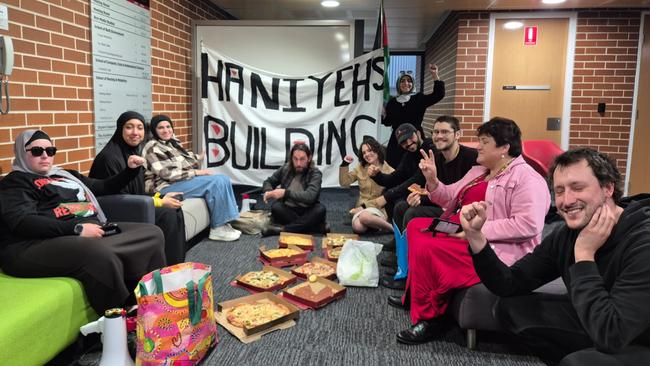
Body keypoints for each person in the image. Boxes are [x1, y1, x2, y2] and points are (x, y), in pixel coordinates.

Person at [462, 148, 650, 366]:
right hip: (596, 318)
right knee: (511, 309)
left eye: (577, 188)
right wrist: (476, 237)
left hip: (634, 336)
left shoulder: (642, 242)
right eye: (559, 191)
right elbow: (509, 283)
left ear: (608, 188)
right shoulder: (566, 235)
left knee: (577, 362)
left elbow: (612, 334)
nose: (566, 201)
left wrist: (584, 255)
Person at [392, 117, 550, 345]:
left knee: (430, 246)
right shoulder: (479, 171)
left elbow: (528, 225)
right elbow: (448, 197)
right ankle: (415, 296)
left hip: (495, 245)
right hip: (464, 226)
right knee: (417, 226)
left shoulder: (528, 178)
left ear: (504, 148)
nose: (478, 146)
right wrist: (433, 180)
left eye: (484, 142)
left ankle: (431, 319)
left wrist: (475, 231)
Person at [0, 130, 166, 314]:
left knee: (152, 233)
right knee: (98, 253)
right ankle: (121, 313)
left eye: (50, 150)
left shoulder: (65, 175)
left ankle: (151, 300)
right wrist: (76, 228)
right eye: (37, 151)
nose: (45, 156)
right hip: (31, 245)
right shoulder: (15, 182)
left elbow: (103, 186)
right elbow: (23, 222)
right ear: (22, 153)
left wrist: (130, 170)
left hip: (85, 231)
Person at [381, 115, 478, 288]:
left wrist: (424, 196)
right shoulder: (436, 158)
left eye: (445, 132)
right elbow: (437, 191)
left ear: (457, 134)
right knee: (401, 206)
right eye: (436, 132)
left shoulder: (472, 158)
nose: (439, 136)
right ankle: (402, 263)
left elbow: (457, 195)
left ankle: (410, 276)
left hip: (459, 218)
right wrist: (421, 196)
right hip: (444, 207)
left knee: (412, 213)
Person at [90, 111, 187, 265]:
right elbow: (116, 198)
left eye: (140, 128)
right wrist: (159, 203)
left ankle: (174, 265)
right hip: (114, 212)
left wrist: (161, 197)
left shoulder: (134, 153)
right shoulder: (109, 158)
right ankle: (163, 269)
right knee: (166, 214)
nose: (135, 132)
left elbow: (138, 192)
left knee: (174, 208)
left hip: (133, 205)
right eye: (129, 127)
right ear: (120, 129)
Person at [142, 114, 240, 242]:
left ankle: (225, 221)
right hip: (163, 189)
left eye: (168, 126)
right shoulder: (152, 147)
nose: (166, 130)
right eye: (161, 128)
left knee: (223, 178)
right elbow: (166, 174)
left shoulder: (170, 143)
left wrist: (198, 157)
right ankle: (218, 228)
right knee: (216, 182)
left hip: (179, 182)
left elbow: (184, 160)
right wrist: (196, 172)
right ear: (154, 130)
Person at [382, 64, 445, 168]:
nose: (406, 83)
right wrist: (383, 115)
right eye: (402, 81)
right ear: (398, 84)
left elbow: (438, 94)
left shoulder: (418, 99)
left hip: (415, 138)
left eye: (409, 81)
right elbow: (388, 122)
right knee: (394, 166)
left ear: (412, 84)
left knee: (416, 166)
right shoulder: (392, 102)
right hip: (397, 140)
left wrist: (435, 75)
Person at [261, 143, 327, 236]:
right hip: (289, 209)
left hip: (307, 209)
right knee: (276, 207)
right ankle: (314, 228)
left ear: (309, 158)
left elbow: (310, 197)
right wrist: (268, 191)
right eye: (295, 159)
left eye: (302, 159)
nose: (298, 163)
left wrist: (285, 193)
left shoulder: (315, 173)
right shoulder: (286, 168)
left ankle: (282, 230)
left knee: (320, 209)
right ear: (291, 158)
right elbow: (268, 181)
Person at [339, 136, 394, 234]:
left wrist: (365, 208)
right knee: (358, 227)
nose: (367, 154)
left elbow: (389, 197)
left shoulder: (389, 171)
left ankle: (391, 228)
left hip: (378, 208)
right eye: (364, 153)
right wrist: (345, 164)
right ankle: (374, 225)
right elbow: (344, 182)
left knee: (364, 217)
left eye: (369, 150)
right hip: (361, 207)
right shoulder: (360, 168)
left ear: (377, 150)